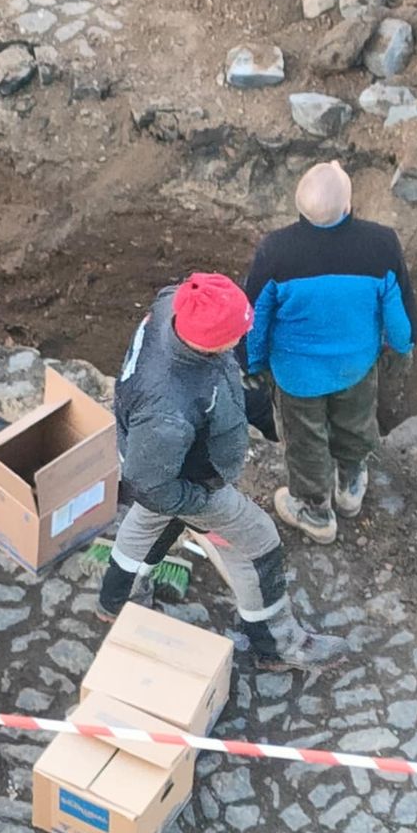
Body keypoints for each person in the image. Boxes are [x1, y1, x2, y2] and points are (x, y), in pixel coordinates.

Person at [96, 272, 348, 673]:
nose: (245, 334)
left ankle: (116, 602)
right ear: (213, 341)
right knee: (258, 543)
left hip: (169, 460)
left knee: (150, 521)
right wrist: (200, 501)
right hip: (189, 478)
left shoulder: (173, 305)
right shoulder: (169, 408)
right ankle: (275, 644)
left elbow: (151, 481)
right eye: (239, 330)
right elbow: (150, 484)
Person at [242, 161, 417, 544]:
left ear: (299, 206)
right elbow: (398, 311)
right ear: (348, 204)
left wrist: (251, 363)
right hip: (354, 367)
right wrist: (402, 348)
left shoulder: (276, 252)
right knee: (353, 423)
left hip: (297, 375)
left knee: (306, 441)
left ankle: (316, 511)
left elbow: (255, 317)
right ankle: (350, 486)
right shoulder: (381, 245)